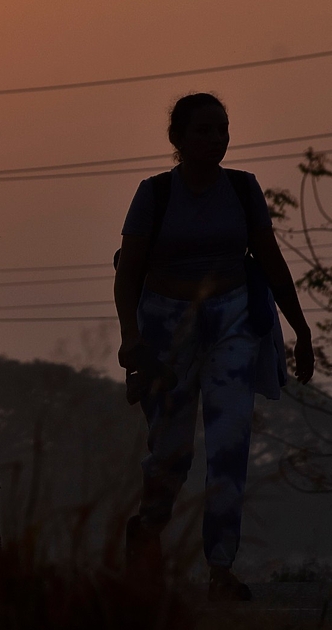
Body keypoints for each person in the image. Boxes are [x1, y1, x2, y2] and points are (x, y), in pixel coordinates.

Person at [114, 93, 315, 601]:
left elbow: (271, 262)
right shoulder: (155, 194)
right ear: (177, 140)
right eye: (202, 130)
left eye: (222, 129)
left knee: (229, 446)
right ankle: (147, 533)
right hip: (165, 328)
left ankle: (220, 566)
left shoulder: (243, 190)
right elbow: (128, 274)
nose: (215, 139)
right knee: (172, 454)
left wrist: (301, 328)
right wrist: (131, 340)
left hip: (232, 322)